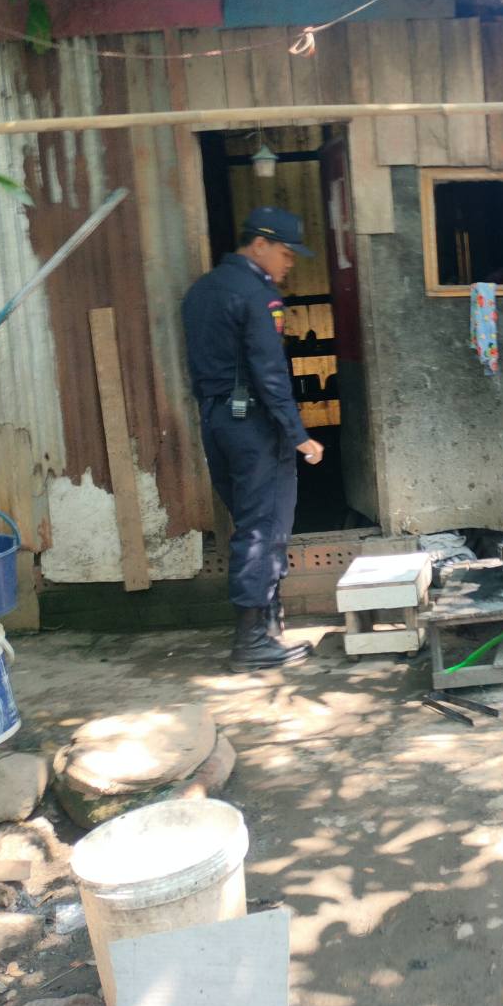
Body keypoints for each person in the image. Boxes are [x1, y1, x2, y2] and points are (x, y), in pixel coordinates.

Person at [183, 206, 327, 672]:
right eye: (286, 253)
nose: (290, 263)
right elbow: (270, 373)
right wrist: (298, 434)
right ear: (259, 244)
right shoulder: (257, 295)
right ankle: (250, 644)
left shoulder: (201, 290)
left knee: (250, 522)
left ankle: (267, 626)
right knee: (264, 528)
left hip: (217, 420)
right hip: (254, 426)